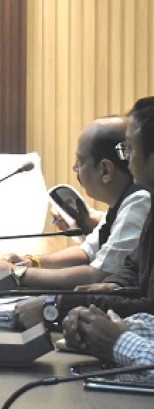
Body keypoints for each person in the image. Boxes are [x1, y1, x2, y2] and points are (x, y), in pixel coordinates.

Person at [16, 97, 154, 331]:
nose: (126, 158)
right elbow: (132, 268)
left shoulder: (142, 199)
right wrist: (112, 286)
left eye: (130, 149)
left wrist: (57, 304)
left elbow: (148, 305)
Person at [0, 117, 150, 289]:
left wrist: (19, 273)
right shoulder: (123, 201)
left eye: (80, 161)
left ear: (105, 170)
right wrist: (30, 262)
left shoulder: (139, 201)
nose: (74, 167)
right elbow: (87, 252)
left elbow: (100, 275)